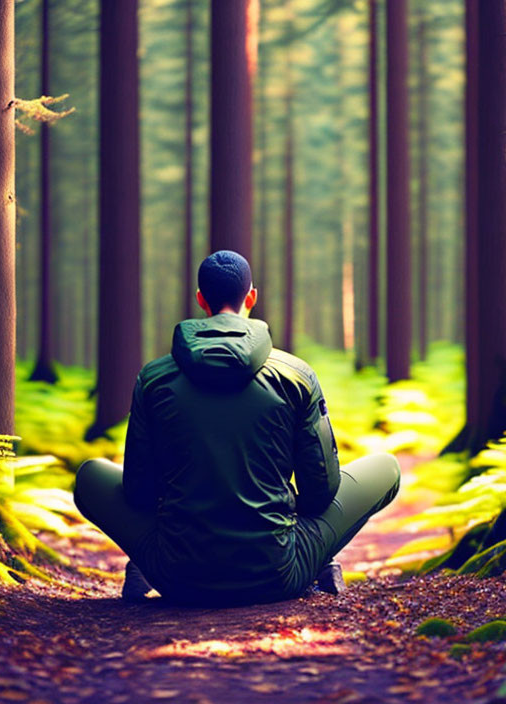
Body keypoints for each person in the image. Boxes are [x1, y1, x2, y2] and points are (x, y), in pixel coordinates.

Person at [73, 250, 400, 605]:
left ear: (200, 299)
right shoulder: (296, 375)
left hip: (177, 574)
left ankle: (144, 562)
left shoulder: (154, 378)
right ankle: (319, 561)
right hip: (278, 572)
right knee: (388, 468)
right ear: (252, 298)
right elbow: (320, 492)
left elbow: (138, 492)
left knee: (90, 475)